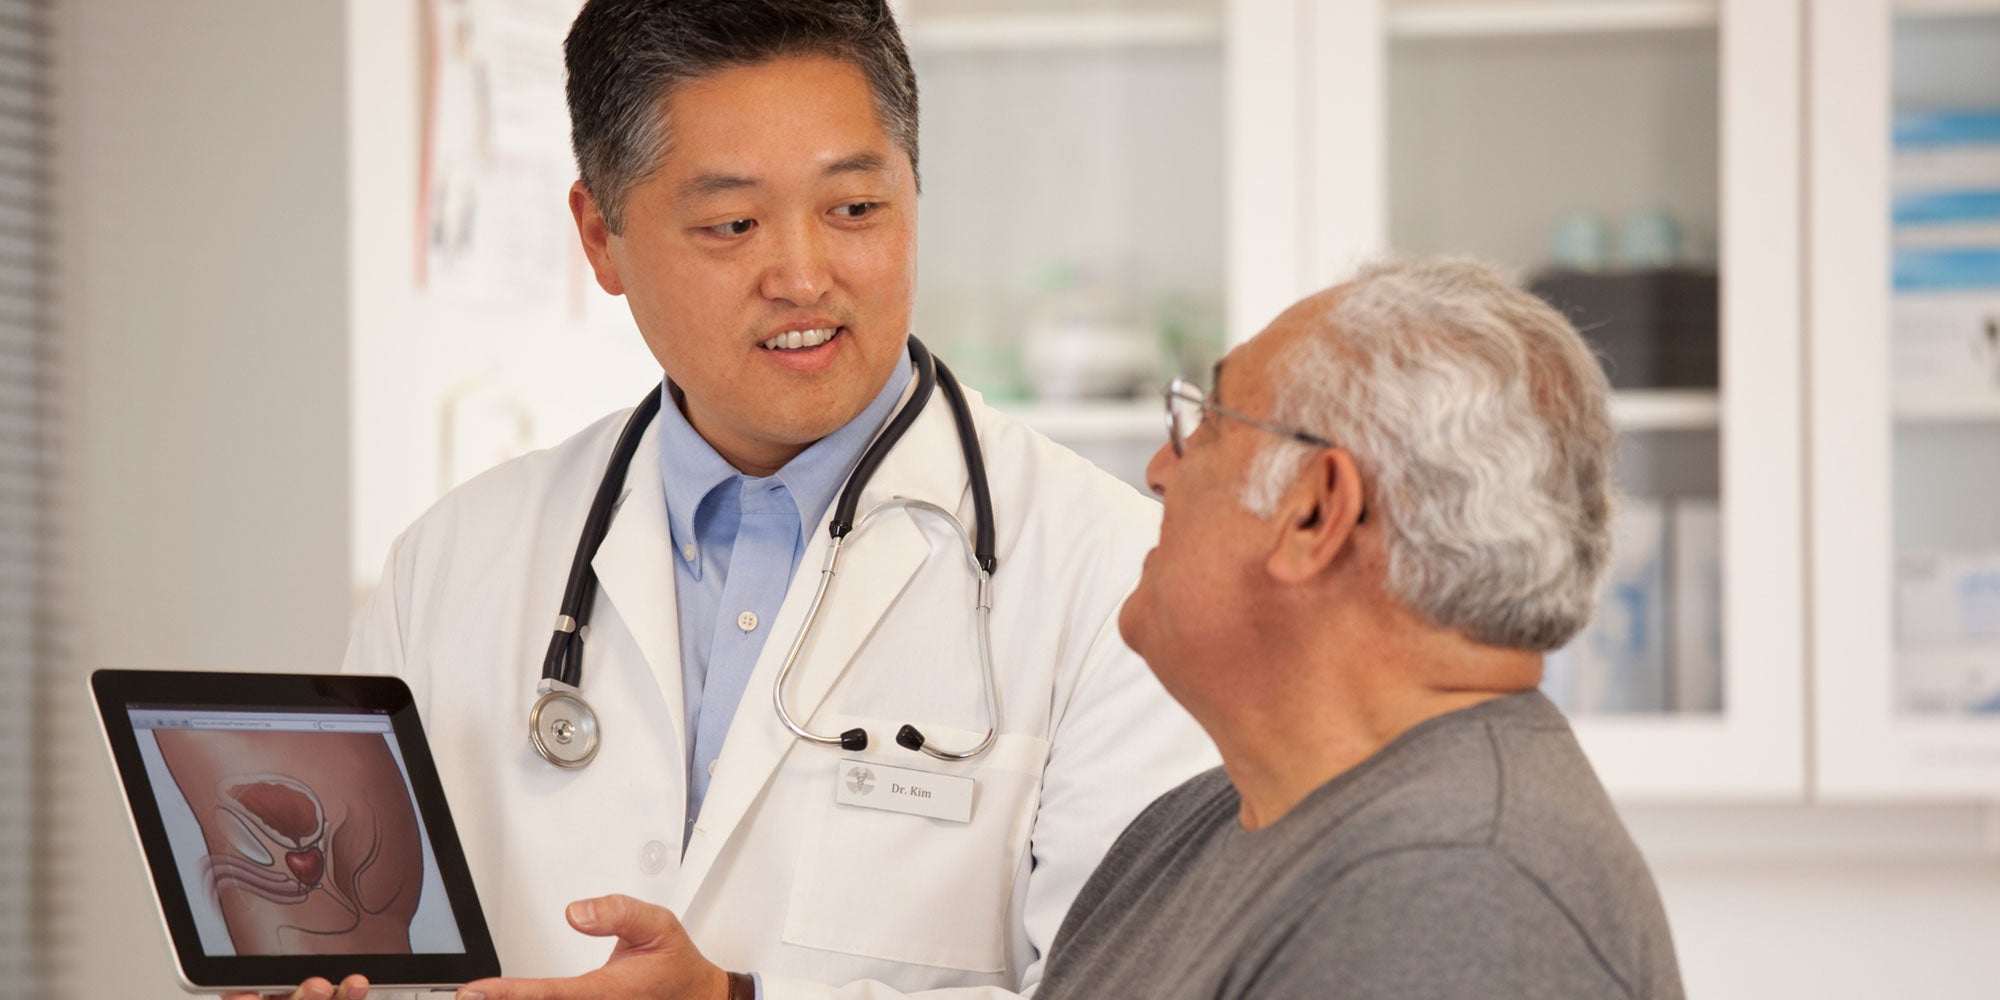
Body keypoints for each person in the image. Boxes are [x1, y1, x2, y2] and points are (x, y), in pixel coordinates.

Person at [234, 2, 1214, 999]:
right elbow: (373, 951)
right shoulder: (449, 568)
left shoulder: (1117, 580)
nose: (801, 276)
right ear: (599, 238)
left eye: (855, 210)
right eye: (731, 225)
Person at [1033, 257, 1685, 999]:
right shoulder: (1198, 824)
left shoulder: (1456, 890)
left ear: (1315, 510)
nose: (1158, 470)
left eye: (1206, 426)